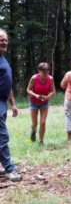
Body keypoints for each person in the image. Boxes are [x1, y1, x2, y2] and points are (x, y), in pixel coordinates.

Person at [0, 28, 21, 181]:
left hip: (2, 101)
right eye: (1, 39)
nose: (4, 42)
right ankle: (9, 169)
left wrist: (12, 103)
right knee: (2, 136)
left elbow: (8, 83)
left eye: (6, 39)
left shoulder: (3, 59)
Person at [26, 62, 56, 145]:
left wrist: (47, 97)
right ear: (39, 71)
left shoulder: (50, 79)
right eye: (44, 72)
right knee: (34, 123)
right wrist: (36, 95)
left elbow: (53, 91)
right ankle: (33, 130)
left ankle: (41, 141)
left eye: (47, 72)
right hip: (34, 102)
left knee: (43, 122)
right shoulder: (34, 78)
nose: (46, 74)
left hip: (44, 103)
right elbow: (28, 89)